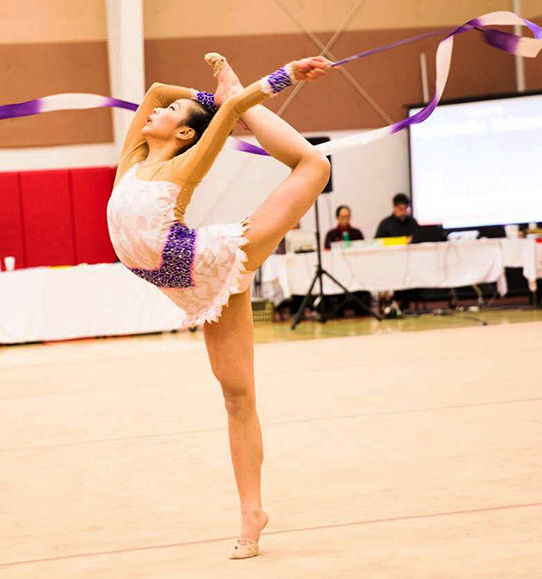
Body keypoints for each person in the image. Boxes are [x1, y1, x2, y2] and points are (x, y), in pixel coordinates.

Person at [106, 52, 332, 559]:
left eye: (171, 116)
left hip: (208, 259)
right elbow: (161, 88)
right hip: (188, 284)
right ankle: (254, 510)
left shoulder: (186, 165)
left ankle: (251, 515)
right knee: (236, 395)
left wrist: (279, 79)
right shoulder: (135, 159)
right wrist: (205, 99)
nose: (153, 114)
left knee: (315, 164)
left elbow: (225, 118)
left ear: (186, 135)